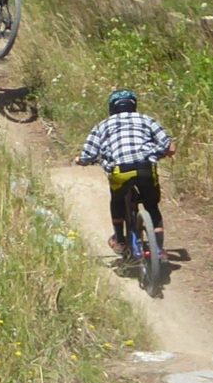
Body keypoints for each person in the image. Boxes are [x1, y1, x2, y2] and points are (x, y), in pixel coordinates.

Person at [75, 89, 175, 257]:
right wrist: (162, 153)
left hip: (120, 171)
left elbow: (88, 154)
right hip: (145, 168)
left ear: (112, 108)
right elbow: (170, 147)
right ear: (134, 105)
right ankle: (158, 250)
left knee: (117, 200)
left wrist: (81, 160)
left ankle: (120, 240)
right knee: (151, 206)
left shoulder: (102, 125)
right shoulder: (146, 119)